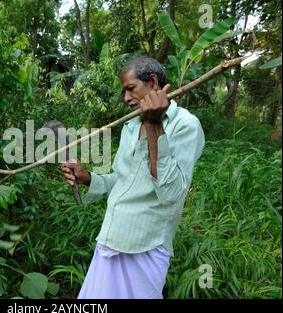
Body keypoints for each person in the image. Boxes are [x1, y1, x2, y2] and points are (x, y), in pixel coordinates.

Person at [60, 56, 205, 299]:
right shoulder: (131, 124)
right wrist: (88, 178)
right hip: (111, 238)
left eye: (131, 88)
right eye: (124, 91)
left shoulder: (186, 125)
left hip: (146, 247)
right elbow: (121, 179)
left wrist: (154, 126)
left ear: (154, 83)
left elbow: (171, 194)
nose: (126, 98)